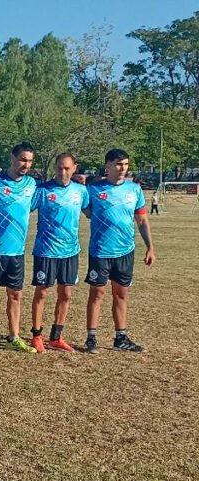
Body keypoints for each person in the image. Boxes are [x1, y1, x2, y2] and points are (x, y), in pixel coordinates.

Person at [83, 149, 155, 353]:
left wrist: (150, 247)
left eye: (125, 164)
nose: (122, 168)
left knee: (121, 294)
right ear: (107, 166)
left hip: (125, 251)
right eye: (118, 164)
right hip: (100, 251)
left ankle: (121, 337)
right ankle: (91, 337)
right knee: (97, 293)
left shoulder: (134, 189)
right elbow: (87, 212)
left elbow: (141, 220)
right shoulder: (94, 189)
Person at [0, 142, 39, 356]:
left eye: (29, 161)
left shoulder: (31, 185)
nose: (26, 164)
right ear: (12, 157)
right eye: (22, 159)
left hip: (17, 253)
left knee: (16, 296)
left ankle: (14, 337)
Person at [28, 153, 88, 353]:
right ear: (55, 168)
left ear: (74, 168)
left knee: (66, 294)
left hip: (70, 252)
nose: (63, 172)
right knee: (42, 293)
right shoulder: (43, 191)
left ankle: (56, 337)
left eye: (67, 168)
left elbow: (91, 211)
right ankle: (36, 335)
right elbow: (22, 208)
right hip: (46, 251)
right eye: (59, 168)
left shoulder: (81, 191)